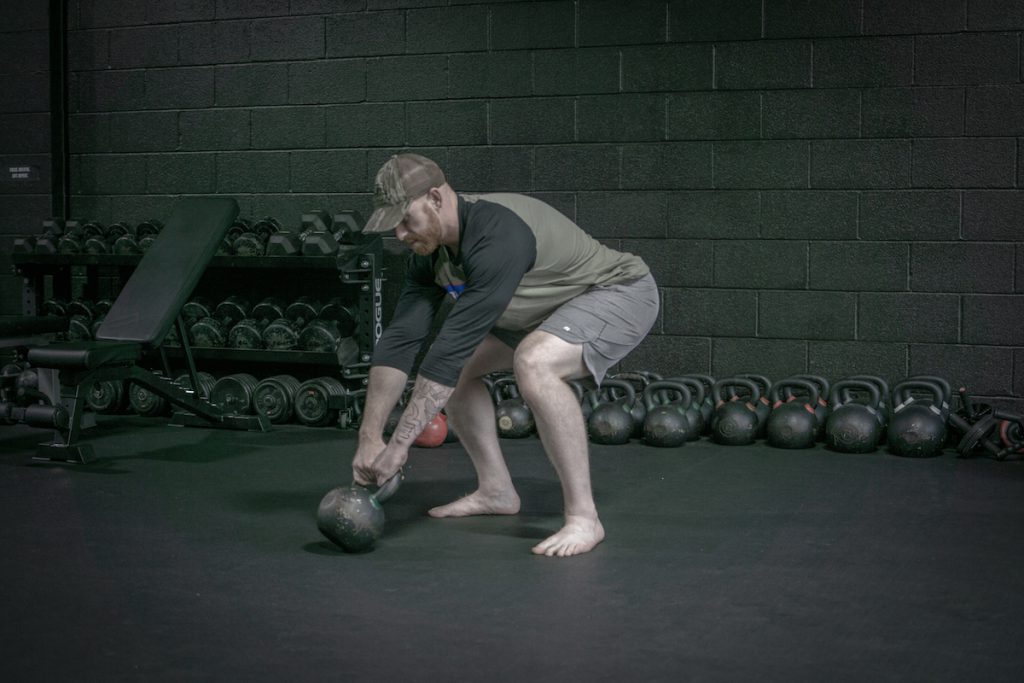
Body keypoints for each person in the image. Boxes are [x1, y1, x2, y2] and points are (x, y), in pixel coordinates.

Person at [351, 153, 659, 557]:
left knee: (534, 363)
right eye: (394, 225)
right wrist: (370, 437)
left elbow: (447, 352)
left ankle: (585, 519)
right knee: (459, 375)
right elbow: (401, 340)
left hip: (616, 293)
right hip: (541, 310)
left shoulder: (498, 234)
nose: (401, 234)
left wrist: (398, 447)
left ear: (436, 198)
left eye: (406, 219)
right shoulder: (431, 255)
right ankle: (496, 491)